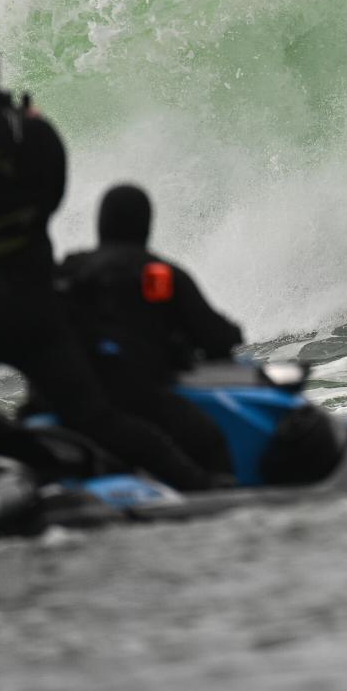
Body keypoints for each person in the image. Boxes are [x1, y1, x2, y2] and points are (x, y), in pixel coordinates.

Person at [0, 30, 217, 491]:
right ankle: (202, 485)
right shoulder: (35, 135)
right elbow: (50, 199)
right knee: (97, 418)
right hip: (34, 311)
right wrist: (32, 127)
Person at [52, 183, 241, 478]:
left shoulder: (70, 269)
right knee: (211, 441)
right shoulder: (159, 273)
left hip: (67, 395)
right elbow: (217, 337)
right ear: (146, 225)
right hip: (137, 397)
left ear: (101, 223)